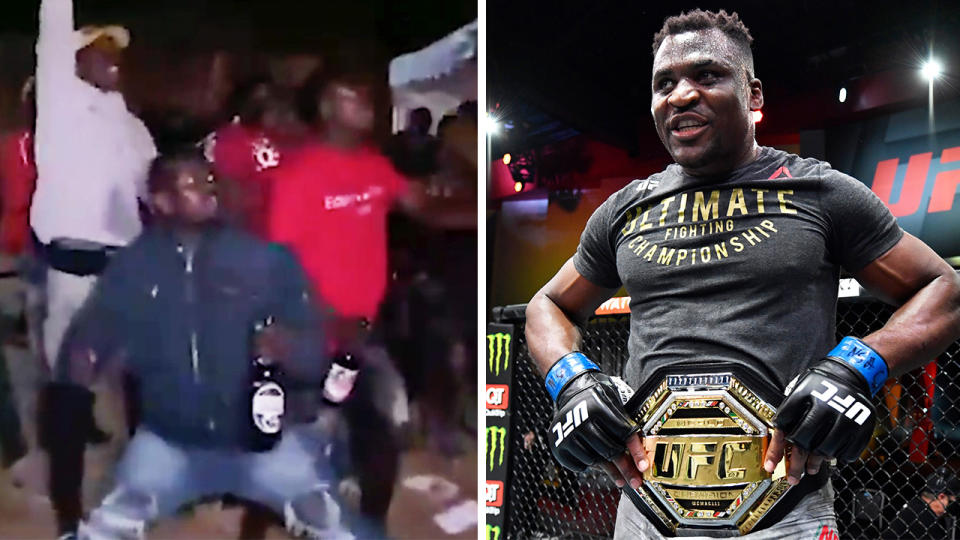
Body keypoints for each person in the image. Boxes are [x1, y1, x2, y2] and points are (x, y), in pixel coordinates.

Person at [523, 9, 960, 539]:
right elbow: (547, 306)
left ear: (753, 96)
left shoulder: (820, 193)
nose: (681, 95)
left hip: (782, 513)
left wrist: (856, 369)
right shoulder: (624, 210)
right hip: (645, 512)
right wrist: (572, 382)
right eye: (665, 83)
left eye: (707, 76)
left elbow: (944, 289)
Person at [52, 149, 348, 539]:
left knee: (343, 530)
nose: (208, 190)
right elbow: (89, 342)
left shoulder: (265, 259)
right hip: (168, 444)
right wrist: (83, 360)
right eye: (191, 184)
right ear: (161, 202)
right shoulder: (132, 268)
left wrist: (291, 348)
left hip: (263, 444)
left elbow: (316, 359)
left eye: (210, 180)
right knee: (103, 530)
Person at [267, 69, 474, 535]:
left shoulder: (373, 164)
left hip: (363, 329)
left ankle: (356, 515)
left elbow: (423, 208)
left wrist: (488, 209)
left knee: (371, 432)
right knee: (323, 429)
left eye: (365, 95)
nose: (364, 100)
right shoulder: (300, 175)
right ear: (324, 108)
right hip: (313, 332)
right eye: (351, 94)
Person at [31, 0, 157, 533]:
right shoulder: (61, 101)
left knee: (141, 381)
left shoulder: (129, 124)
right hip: (75, 269)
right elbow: (54, 26)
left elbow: (152, 189)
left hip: (126, 270)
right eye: (99, 50)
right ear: (74, 59)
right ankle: (67, 509)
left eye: (116, 54)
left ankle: (148, 484)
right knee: (70, 389)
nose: (112, 60)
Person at [884, 469, 959, 539]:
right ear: (941, 497)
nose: (954, 504)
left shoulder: (914, 505)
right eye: (952, 500)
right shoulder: (927, 520)